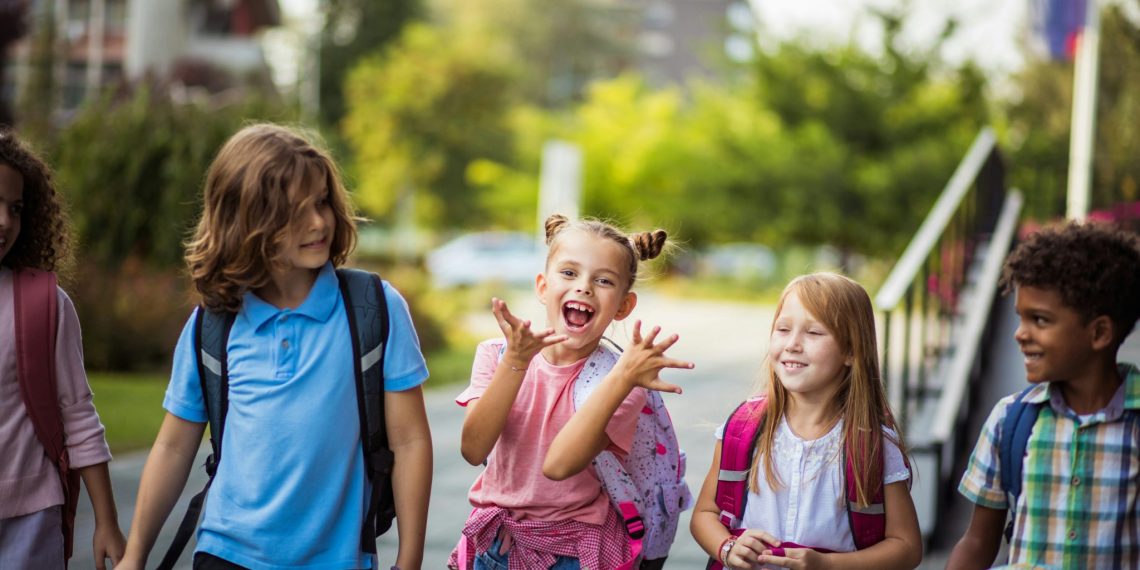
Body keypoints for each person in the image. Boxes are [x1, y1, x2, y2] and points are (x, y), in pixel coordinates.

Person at [117, 124, 433, 570]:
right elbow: (173, 447)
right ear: (246, 221)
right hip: (227, 553)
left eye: (322, 201)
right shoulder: (213, 324)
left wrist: (410, 559)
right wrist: (135, 555)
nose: (320, 222)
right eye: (295, 211)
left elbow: (411, 440)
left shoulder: (373, 309)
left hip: (338, 560)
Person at [449, 214, 694, 570]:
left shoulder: (621, 382)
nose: (584, 287)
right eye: (569, 273)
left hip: (573, 554)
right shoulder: (496, 354)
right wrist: (515, 363)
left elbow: (559, 464)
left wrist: (624, 377)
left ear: (624, 307)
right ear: (543, 286)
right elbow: (473, 449)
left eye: (604, 280)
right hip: (496, 545)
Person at [690, 272, 923, 570]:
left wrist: (827, 564)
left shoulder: (873, 445)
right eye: (783, 329)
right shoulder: (743, 430)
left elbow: (906, 547)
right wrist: (727, 547)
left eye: (813, 333)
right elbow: (704, 514)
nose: (793, 344)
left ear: (851, 350)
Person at [947, 221, 1140, 570]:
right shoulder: (1011, 420)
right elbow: (977, 542)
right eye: (1021, 318)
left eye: (1040, 320)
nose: (1020, 334)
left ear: (1099, 333)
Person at [0, 131, 126, 569]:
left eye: (15, 208)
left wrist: (107, 522)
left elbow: (79, 414)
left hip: (32, 519)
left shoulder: (45, 304)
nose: (4, 222)